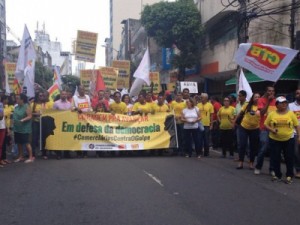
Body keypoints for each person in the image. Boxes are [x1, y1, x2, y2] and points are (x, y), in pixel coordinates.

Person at [264, 96, 300, 184]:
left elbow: (296, 125)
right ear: (277, 105)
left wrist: (299, 136)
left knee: (289, 157)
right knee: (276, 157)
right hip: (275, 139)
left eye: (285, 103)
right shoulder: (272, 114)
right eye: (282, 103)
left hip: (289, 139)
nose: (284, 104)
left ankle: (289, 175)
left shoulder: (290, 114)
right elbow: (266, 124)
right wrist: (272, 130)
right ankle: (277, 175)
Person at [254, 86, 276, 175]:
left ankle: (272, 169)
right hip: (264, 128)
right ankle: (258, 166)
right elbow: (262, 113)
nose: (271, 92)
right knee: (263, 148)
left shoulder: (276, 101)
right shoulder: (261, 100)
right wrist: (268, 102)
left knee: (273, 150)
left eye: (272, 91)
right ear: (266, 92)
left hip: (274, 129)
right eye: (269, 91)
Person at [236, 93, 260, 169]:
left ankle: (251, 163)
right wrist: (235, 122)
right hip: (244, 127)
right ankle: (240, 162)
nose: (257, 98)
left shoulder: (261, 107)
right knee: (242, 145)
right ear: (252, 98)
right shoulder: (247, 105)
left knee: (253, 146)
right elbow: (240, 114)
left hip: (255, 129)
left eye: (259, 97)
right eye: (255, 97)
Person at [12, 94, 34, 163]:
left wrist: (23, 120)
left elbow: (30, 116)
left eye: (18, 98)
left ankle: (30, 157)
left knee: (26, 143)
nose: (16, 100)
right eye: (16, 98)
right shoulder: (16, 107)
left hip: (25, 128)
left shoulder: (26, 106)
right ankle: (20, 156)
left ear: (22, 100)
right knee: (19, 143)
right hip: (17, 128)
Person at [72, 85, 92, 158]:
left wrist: (91, 111)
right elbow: (72, 108)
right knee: (78, 136)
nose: (82, 91)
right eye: (80, 89)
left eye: (83, 89)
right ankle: (79, 152)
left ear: (85, 90)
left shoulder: (87, 97)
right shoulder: (74, 98)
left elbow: (90, 107)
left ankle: (85, 152)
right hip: (77, 119)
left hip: (86, 119)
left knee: (86, 136)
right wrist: (77, 108)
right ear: (78, 90)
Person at [53, 90, 72, 159]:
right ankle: (58, 154)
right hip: (58, 123)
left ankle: (66, 153)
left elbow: (70, 113)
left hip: (66, 123)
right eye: (62, 94)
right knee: (59, 139)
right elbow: (52, 113)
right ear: (60, 95)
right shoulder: (56, 103)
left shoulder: (69, 103)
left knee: (66, 138)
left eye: (65, 94)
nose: (64, 95)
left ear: (67, 95)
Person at [288, 89, 300, 179]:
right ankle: (298, 170)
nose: (298, 94)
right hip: (294, 133)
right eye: (297, 93)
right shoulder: (290, 106)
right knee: (296, 152)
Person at [31, 91, 46, 159]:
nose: (41, 97)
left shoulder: (45, 104)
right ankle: (33, 153)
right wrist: (36, 114)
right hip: (35, 122)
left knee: (43, 138)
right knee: (34, 138)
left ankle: (44, 153)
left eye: (42, 95)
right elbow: (29, 113)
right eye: (40, 95)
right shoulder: (33, 104)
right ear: (37, 96)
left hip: (44, 123)